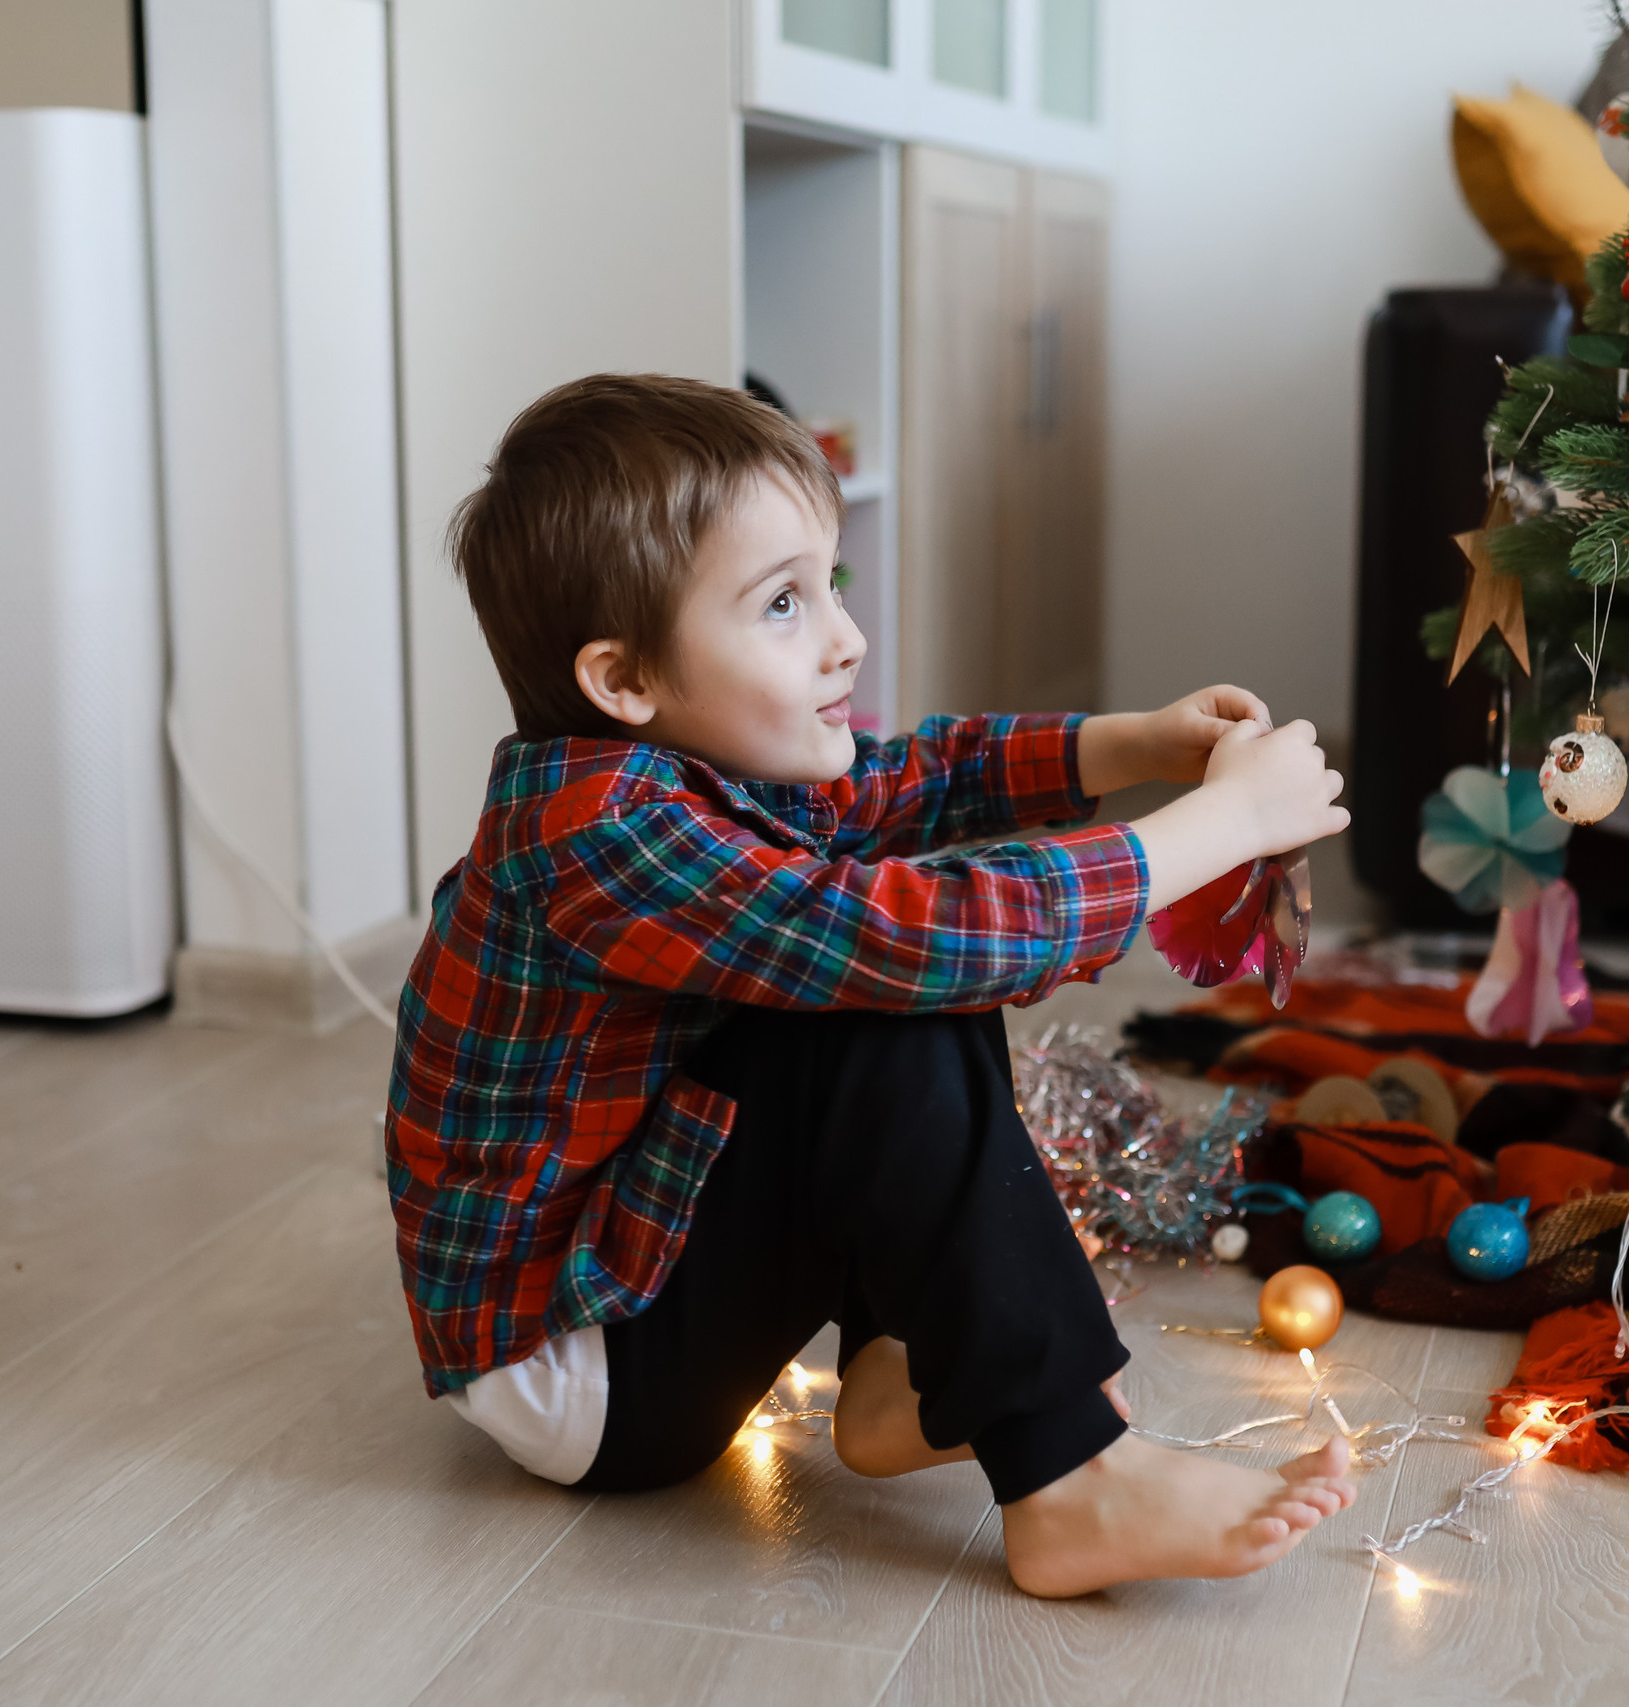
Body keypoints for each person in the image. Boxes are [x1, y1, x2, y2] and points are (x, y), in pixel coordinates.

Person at [386, 373, 1354, 1598]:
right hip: (583, 1364)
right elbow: (917, 935)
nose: (844, 636)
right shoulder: (597, 831)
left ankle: (906, 1364)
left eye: (826, 584)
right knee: (893, 982)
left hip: (636, 1264)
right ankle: (1071, 1479)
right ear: (623, 679)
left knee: (886, 963)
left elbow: (901, 785)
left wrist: (1129, 744)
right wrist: (1215, 828)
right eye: (784, 604)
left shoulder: (688, 757)